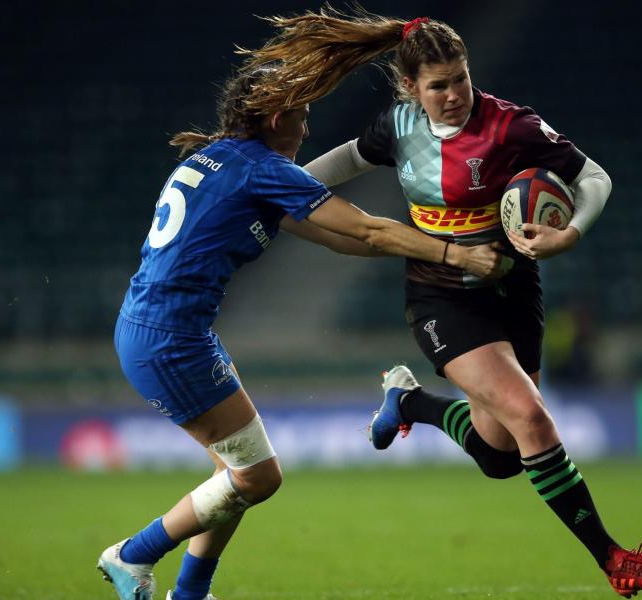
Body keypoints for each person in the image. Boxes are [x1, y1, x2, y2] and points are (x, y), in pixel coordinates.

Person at [242, 8, 642, 598]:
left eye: (461, 79)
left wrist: (568, 233)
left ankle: (411, 402)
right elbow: (347, 159)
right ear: (410, 88)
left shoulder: (511, 126)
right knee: (532, 419)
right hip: (440, 297)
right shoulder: (398, 128)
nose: (453, 95)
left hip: (514, 290)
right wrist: (279, 190)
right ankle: (614, 561)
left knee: (502, 455)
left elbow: (594, 177)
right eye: (438, 85)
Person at [96, 53, 510, 600]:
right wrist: (455, 255)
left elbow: (341, 238)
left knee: (235, 473)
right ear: (275, 120)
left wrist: (417, 253)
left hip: (159, 328)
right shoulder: (262, 169)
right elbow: (365, 231)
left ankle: (191, 592)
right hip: (171, 341)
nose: (308, 126)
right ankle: (133, 555)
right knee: (259, 477)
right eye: (302, 114)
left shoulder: (221, 159)